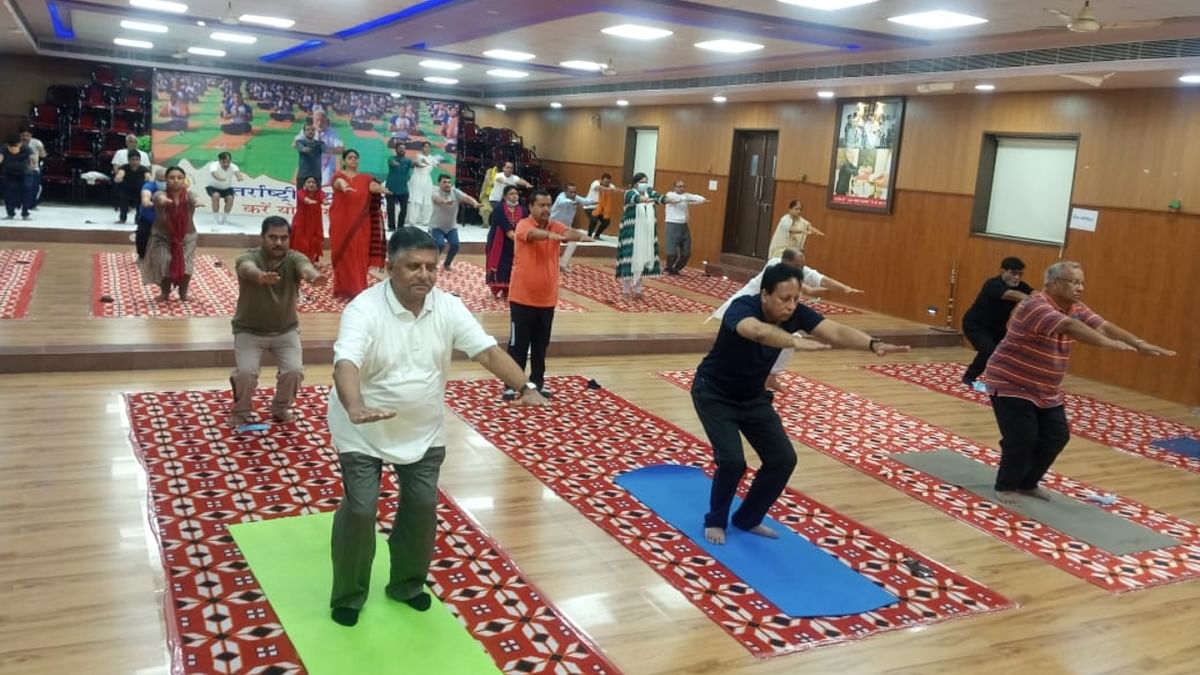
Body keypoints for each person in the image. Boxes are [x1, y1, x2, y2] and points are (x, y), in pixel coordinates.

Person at [326, 227, 550, 628]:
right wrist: (355, 405)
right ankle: (349, 593)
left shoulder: (447, 307)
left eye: (431, 267)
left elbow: (487, 351)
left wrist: (524, 385)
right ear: (390, 267)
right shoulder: (363, 309)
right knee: (360, 509)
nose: (424, 275)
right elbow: (347, 363)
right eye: (413, 266)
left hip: (423, 429)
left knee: (422, 507)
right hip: (360, 429)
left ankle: (407, 585)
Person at [692, 263, 909, 545]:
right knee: (732, 461)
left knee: (783, 460)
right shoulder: (741, 308)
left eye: (796, 299)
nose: (792, 306)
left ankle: (747, 519)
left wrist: (872, 344)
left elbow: (836, 331)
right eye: (784, 299)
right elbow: (757, 332)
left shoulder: (796, 313)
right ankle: (716, 521)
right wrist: (794, 341)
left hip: (752, 397)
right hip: (714, 393)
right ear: (765, 294)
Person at [983, 261, 1174, 506]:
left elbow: (1102, 325)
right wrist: (1108, 344)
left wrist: (1138, 343)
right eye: (1073, 282)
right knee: (1023, 437)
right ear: (1052, 284)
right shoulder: (1035, 305)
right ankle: (1006, 485)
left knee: (1056, 436)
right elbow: (1069, 327)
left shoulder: (1075, 307)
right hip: (1010, 381)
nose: (1080, 288)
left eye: (1082, 282)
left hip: (1045, 387)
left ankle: (1027, 483)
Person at [711, 248, 865, 389]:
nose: (801, 269)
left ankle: (770, 376)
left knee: (788, 339)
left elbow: (820, 278)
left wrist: (844, 288)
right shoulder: (774, 267)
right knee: (742, 348)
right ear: (786, 261)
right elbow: (809, 289)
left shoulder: (796, 270)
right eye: (798, 265)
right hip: (745, 310)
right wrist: (821, 290)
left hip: (769, 314)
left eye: (802, 266)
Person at [229, 216, 328, 427]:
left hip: (285, 331)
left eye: (283, 238)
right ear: (262, 237)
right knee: (246, 373)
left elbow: (305, 268)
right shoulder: (249, 256)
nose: (278, 243)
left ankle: (280, 407)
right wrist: (260, 276)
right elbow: (246, 268)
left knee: (294, 371)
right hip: (249, 331)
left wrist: (314, 276)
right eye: (272, 237)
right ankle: (242, 409)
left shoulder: (294, 258)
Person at [504, 189, 592, 399]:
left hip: (546, 300)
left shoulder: (555, 225)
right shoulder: (524, 225)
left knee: (540, 345)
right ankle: (512, 383)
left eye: (548, 205)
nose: (546, 209)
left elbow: (568, 233)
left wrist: (577, 235)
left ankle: (537, 383)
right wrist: (550, 235)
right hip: (522, 298)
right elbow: (533, 236)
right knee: (518, 344)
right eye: (541, 205)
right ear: (531, 207)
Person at [961, 257, 1034, 387]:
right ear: (1003, 271)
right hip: (975, 325)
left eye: (1020, 274)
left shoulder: (1021, 286)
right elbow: (1010, 294)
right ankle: (969, 376)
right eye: (1013, 273)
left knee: (1012, 351)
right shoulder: (992, 284)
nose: (1017, 277)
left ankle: (1006, 380)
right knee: (989, 350)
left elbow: (1035, 293)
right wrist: (1032, 300)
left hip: (997, 328)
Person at [330, 149, 386, 300]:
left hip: (362, 224)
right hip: (341, 222)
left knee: (359, 254)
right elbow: (338, 183)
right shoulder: (338, 175)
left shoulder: (365, 178)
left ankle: (358, 288)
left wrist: (381, 188)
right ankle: (342, 289)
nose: (353, 160)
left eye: (356, 157)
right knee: (342, 255)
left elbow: (372, 186)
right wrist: (344, 186)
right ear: (344, 161)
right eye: (350, 157)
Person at [141, 166, 197, 302]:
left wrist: (196, 202)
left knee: (187, 267)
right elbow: (158, 198)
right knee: (165, 263)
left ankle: (183, 294)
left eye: (179, 178)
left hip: (187, 237)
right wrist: (163, 201)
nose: (176, 181)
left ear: (184, 180)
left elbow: (195, 198)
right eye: (172, 178)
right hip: (162, 237)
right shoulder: (160, 194)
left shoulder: (189, 195)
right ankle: (164, 293)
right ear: (166, 180)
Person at [615, 172, 668, 299]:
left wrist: (677, 199)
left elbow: (661, 198)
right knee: (629, 260)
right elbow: (637, 199)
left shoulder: (650, 192)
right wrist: (647, 199)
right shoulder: (629, 193)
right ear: (635, 183)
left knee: (643, 259)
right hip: (631, 233)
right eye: (641, 182)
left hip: (646, 232)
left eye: (645, 182)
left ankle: (638, 291)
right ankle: (626, 291)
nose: (644, 184)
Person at [429, 174, 480, 270]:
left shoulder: (455, 192)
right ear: (438, 183)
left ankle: (447, 264)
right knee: (439, 245)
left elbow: (466, 197)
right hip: (436, 227)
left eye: (449, 182)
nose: (447, 184)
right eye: (444, 182)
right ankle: (432, 263)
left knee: (455, 245)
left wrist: (474, 203)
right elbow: (437, 199)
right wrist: (444, 201)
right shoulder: (435, 192)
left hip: (451, 227)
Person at [485, 185, 524, 298]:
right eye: (511, 194)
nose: (514, 196)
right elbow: (505, 226)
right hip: (500, 242)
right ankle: (496, 289)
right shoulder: (499, 210)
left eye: (516, 194)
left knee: (513, 266)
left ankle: (509, 290)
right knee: (500, 265)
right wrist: (514, 236)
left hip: (516, 243)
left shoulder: (524, 210)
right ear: (505, 196)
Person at [662, 179, 707, 275]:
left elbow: (698, 198)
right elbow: (674, 200)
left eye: (683, 186)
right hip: (672, 225)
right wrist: (685, 198)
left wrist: (701, 199)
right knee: (672, 252)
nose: (682, 188)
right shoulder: (670, 195)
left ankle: (676, 269)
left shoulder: (686, 196)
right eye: (679, 186)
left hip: (684, 226)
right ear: (674, 187)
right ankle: (668, 268)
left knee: (686, 253)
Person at [549, 183, 596, 273]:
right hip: (553, 226)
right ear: (565, 192)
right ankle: (548, 264)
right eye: (571, 192)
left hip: (565, 227)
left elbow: (585, 201)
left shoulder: (576, 198)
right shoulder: (561, 197)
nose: (573, 194)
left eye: (575, 192)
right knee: (551, 245)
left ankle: (563, 264)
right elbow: (563, 201)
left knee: (573, 242)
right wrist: (572, 202)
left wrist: (595, 202)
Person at [206, 152, 248, 226]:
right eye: (223, 162)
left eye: (228, 162)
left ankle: (224, 219)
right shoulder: (214, 165)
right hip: (213, 187)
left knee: (230, 198)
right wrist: (220, 178)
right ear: (219, 161)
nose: (226, 164)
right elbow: (214, 174)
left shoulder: (233, 166)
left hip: (227, 188)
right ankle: (216, 219)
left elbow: (238, 173)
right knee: (216, 196)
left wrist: (240, 177)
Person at [404, 142, 439, 229]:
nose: (427, 149)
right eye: (425, 147)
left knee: (427, 199)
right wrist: (426, 163)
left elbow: (436, 164)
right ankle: (412, 220)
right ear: (422, 148)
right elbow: (420, 163)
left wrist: (434, 162)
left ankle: (425, 220)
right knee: (416, 198)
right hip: (417, 178)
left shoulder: (431, 158)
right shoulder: (418, 156)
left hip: (427, 179)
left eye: (428, 147)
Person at [291, 175, 325, 264]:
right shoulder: (300, 192)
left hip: (314, 224)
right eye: (308, 182)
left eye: (313, 182)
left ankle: (310, 262)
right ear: (304, 185)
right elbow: (304, 199)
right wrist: (309, 201)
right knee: (301, 243)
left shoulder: (319, 193)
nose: (311, 184)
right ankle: (297, 262)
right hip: (301, 223)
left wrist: (325, 201)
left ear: (316, 185)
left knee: (314, 242)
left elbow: (323, 198)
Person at [114, 153, 152, 225]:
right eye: (132, 160)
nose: (135, 162)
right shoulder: (124, 167)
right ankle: (122, 218)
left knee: (140, 205)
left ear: (140, 161)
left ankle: (138, 219)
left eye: (137, 160)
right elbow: (120, 174)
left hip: (139, 191)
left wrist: (148, 179)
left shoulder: (144, 169)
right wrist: (118, 177)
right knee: (123, 202)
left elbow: (149, 177)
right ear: (128, 160)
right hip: (126, 190)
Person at [135, 167, 165, 259]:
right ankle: (142, 256)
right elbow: (145, 199)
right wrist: (151, 202)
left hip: (166, 219)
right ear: (155, 179)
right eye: (160, 180)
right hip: (148, 219)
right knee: (142, 235)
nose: (163, 182)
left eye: (165, 180)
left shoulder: (173, 187)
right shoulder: (149, 186)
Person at [1, 134, 32, 220]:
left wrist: (34, 164)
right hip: (10, 174)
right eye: (11, 146)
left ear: (20, 144)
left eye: (15, 146)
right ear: (7, 145)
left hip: (25, 173)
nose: (13, 149)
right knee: (9, 191)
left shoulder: (26, 148)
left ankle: (25, 213)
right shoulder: (3, 148)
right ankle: (10, 213)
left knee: (27, 188)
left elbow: (33, 158)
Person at [384, 144, 413, 231]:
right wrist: (395, 163)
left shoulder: (408, 161)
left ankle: (400, 227)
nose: (402, 150)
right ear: (396, 150)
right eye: (400, 148)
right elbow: (392, 162)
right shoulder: (391, 158)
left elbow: (414, 164)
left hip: (403, 189)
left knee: (404, 209)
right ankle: (391, 227)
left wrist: (419, 163)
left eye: (404, 149)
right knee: (390, 209)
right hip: (391, 188)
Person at [584, 173, 619, 239]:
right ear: (601, 180)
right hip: (590, 206)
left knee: (606, 221)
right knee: (594, 219)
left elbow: (615, 189)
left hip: (600, 208)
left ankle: (597, 235)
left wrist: (618, 190)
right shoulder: (595, 183)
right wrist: (609, 189)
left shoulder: (610, 185)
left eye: (608, 182)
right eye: (605, 182)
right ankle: (589, 235)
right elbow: (599, 188)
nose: (606, 184)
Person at [19, 131, 45, 210]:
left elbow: (43, 155)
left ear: (31, 136)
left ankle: (32, 204)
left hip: (33, 168)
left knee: (34, 187)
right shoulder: (16, 143)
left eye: (27, 135)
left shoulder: (36, 142)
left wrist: (41, 149)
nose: (25, 137)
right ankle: (19, 203)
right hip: (19, 169)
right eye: (23, 135)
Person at [293, 123, 324, 189]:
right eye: (308, 130)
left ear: (315, 132)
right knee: (300, 196)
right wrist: (305, 148)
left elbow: (327, 150)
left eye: (312, 130)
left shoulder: (320, 143)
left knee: (317, 197)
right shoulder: (300, 142)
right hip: (303, 174)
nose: (310, 131)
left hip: (316, 174)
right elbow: (303, 149)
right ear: (304, 132)